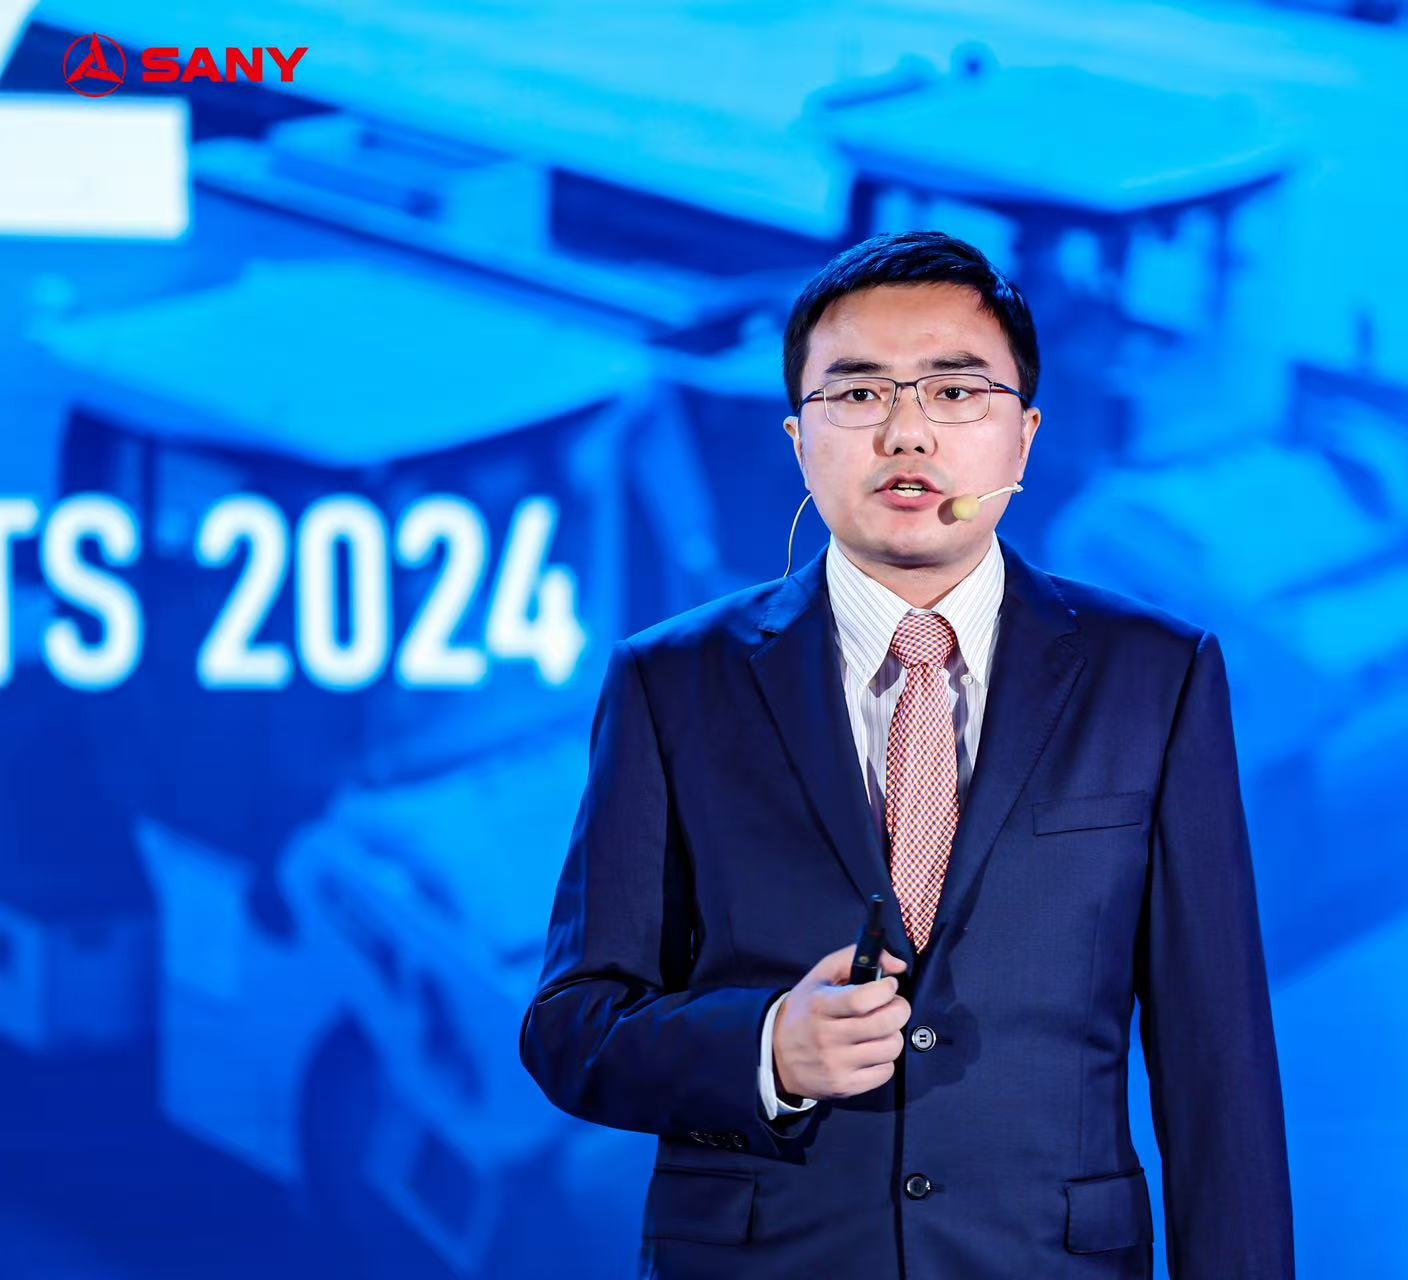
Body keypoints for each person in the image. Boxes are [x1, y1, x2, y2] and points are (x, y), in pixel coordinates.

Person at [520, 229, 1295, 1278]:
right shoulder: (672, 683)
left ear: (1023, 437)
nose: (905, 433)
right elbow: (572, 1025)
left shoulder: (1155, 677)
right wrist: (768, 1049)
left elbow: (1219, 1062)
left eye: (955, 392)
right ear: (799, 439)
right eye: (857, 394)